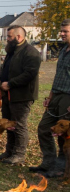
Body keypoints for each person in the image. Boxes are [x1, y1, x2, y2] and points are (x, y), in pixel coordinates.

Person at [0, 26, 41, 165]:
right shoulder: (11, 52)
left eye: (9, 37)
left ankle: (19, 155)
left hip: (22, 95)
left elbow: (30, 74)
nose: (7, 39)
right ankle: (9, 151)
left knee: (18, 125)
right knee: (9, 124)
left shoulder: (31, 53)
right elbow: (5, 70)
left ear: (18, 37)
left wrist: (11, 84)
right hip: (8, 94)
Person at [33, 20, 70, 176]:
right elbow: (58, 76)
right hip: (56, 95)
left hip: (68, 98)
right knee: (44, 128)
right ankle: (49, 162)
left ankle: (61, 167)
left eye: (65, 31)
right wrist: (50, 97)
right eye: (61, 31)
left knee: (64, 135)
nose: (61, 34)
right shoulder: (63, 50)